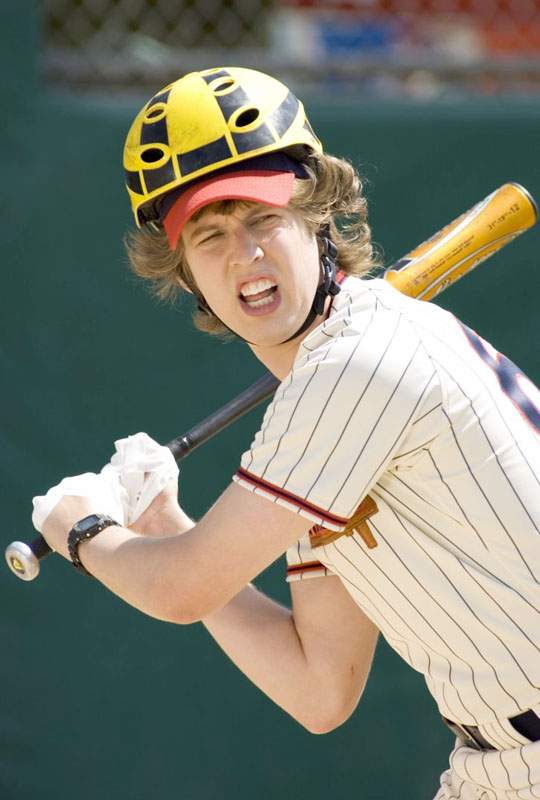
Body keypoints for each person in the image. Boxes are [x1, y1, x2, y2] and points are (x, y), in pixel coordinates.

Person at [34, 67, 540, 800]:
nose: (245, 254)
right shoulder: (314, 427)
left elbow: (180, 587)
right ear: (184, 275)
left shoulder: (357, 365)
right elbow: (318, 688)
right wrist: (163, 521)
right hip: (497, 763)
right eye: (209, 235)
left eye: (263, 218)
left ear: (318, 216)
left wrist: (82, 529)